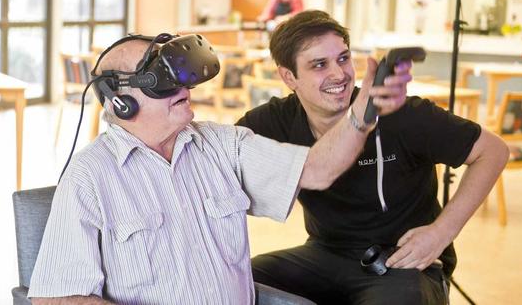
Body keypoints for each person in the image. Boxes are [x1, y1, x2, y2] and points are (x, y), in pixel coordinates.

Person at [27, 33, 413, 304]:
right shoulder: (90, 178)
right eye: (163, 82)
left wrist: (362, 113)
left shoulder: (221, 144)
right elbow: (57, 297)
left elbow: (316, 170)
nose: (184, 89)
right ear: (121, 101)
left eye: (181, 78)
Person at [236, 10, 509, 304]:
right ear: (289, 76)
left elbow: (493, 151)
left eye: (343, 58)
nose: (339, 74)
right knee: (235, 280)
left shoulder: (401, 113)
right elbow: (218, 159)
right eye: (319, 65)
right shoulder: (272, 122)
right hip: (326, 252)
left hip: (402, 260)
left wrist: (441, 233)